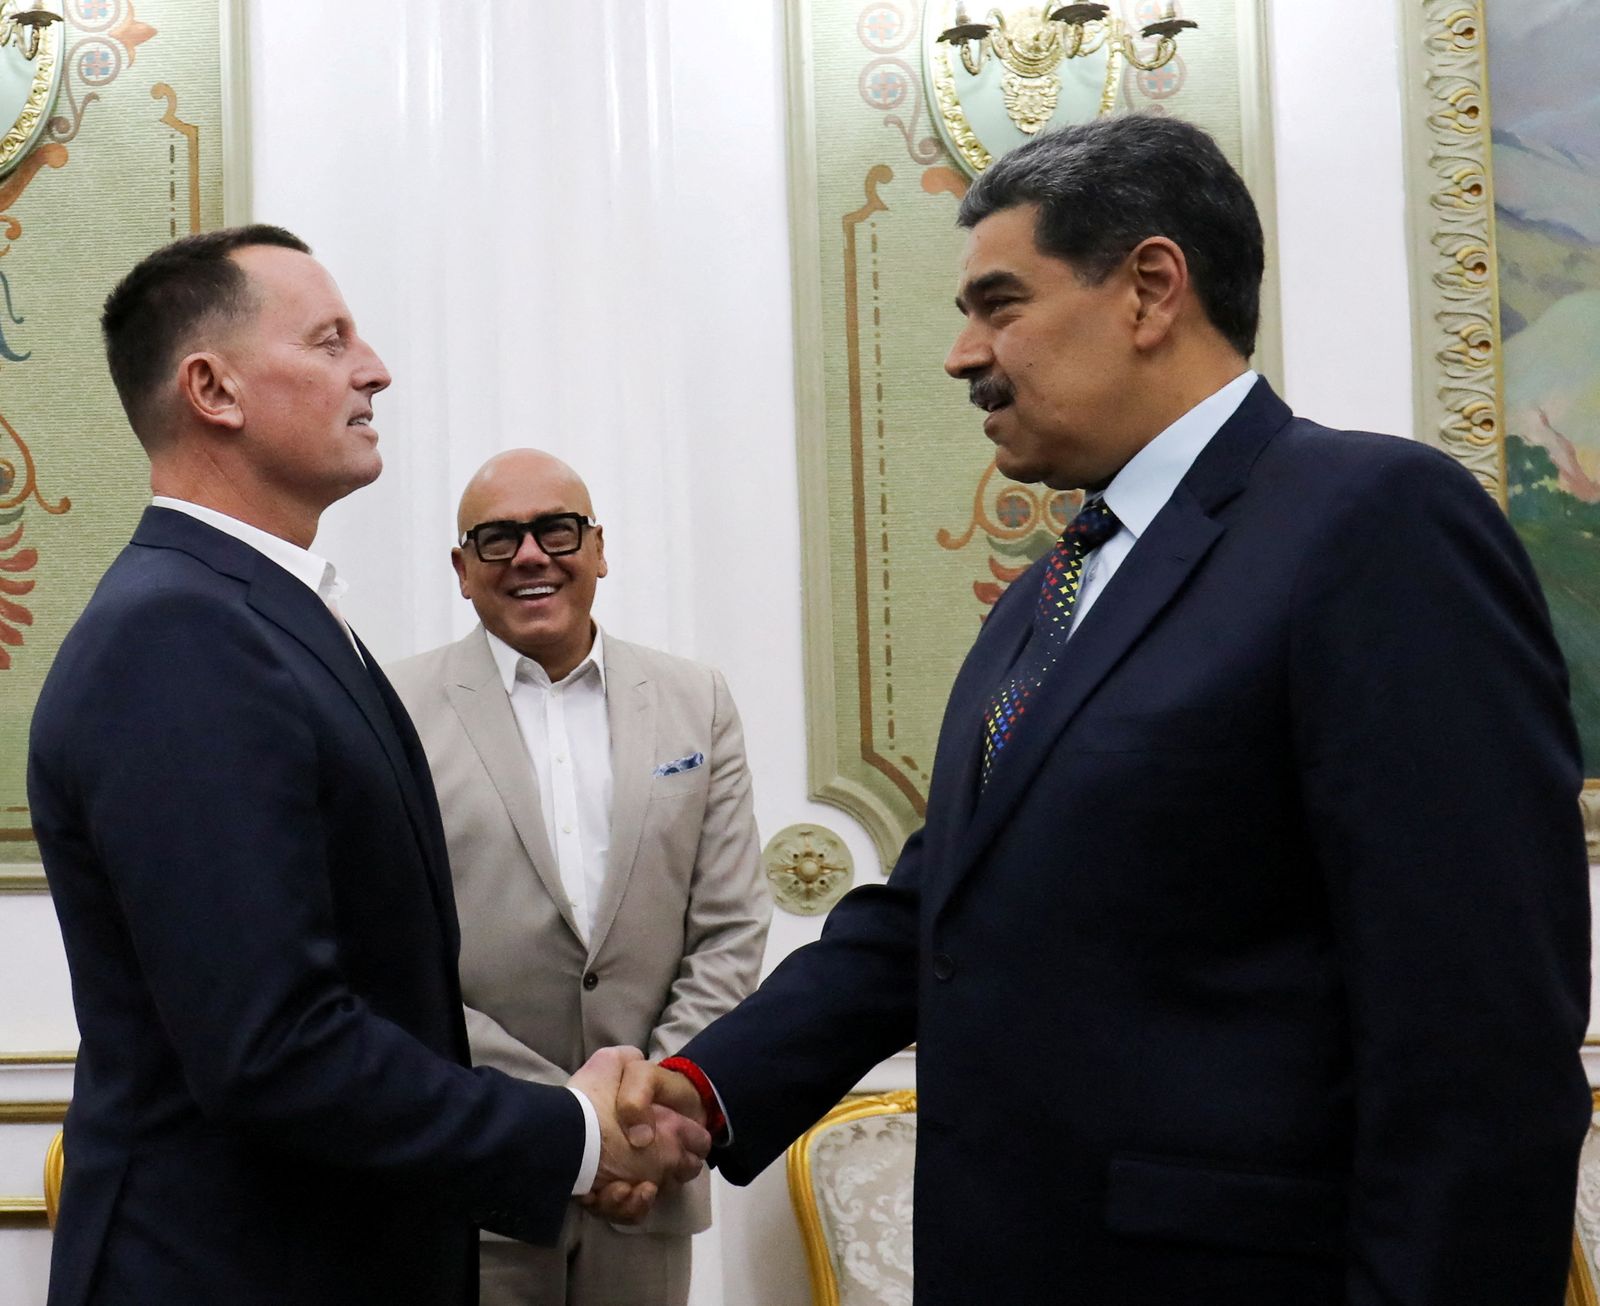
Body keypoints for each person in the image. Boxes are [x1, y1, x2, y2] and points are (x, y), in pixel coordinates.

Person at [616, 115, 1593, 1304]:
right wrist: (705, 1088)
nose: (961, 355)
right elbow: (937, 913)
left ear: (1149, 288)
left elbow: (1479, 1032)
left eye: (998, 304)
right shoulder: (1047, 594)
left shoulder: (1373, 522)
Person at [27, 226, 706, 1306]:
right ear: (213, 389)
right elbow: (272, 1046)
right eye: (330, 340)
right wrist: (569, 1134)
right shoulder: (180, 634)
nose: (375, 369)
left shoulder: (257, 613)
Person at [387, 448, 770, 1306]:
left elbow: (730, 928)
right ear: (461, 570)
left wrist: (649, 1116)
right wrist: (572, 1129)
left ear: (599, 548)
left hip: (651, 1173)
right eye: (497, 538)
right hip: (478, 1175)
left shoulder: (697, 699)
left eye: (557, 530)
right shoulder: (392, 710)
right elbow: (397, 959)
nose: (531, 555)